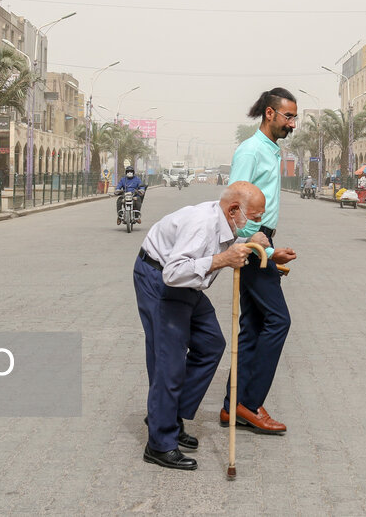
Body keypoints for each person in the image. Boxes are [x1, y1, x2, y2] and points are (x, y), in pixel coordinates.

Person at [135, 181, 266, 471]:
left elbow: (226, 248)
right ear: (234, 209)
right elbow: (173, 273)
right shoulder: (201, 224)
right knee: (169, 362)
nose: (256, 223)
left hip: (187, 285)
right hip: (161, 280)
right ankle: (160, 443)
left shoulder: (224, 222)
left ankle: (166, 414)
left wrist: (262, 250)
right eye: (254, 217)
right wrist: (223, 259)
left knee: (210, 344)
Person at [222, 88, 298, 435]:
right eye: (288, 117)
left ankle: (233, 406)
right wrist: (255, 245)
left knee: (252, 327)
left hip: (263, 242)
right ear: (270, 113)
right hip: (250, 244)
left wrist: (271, 248)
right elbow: (232, 202)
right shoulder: (251, 150)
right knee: (278, 321)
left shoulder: (271, 148)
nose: (292, 124)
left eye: (294, 117)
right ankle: (249, 404)